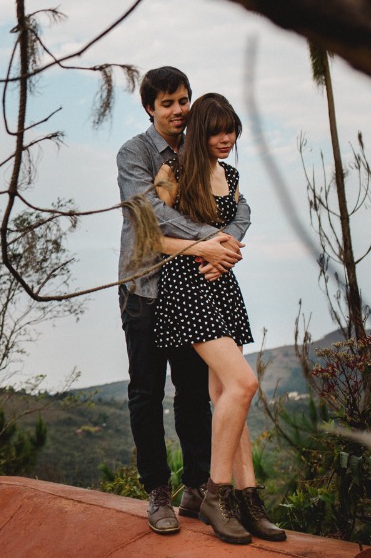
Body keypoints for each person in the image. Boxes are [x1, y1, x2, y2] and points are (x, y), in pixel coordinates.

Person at [116, 67, 248, 536]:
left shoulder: (198, 150)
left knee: (193, 393)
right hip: (143, 289)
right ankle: (157, 491)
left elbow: (235, 202)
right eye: (168, 103)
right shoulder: (135, 153)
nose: (178, 110)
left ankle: (197, 486)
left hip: (189, 290)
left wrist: (227, 241)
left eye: (183, 100)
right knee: (146, 392)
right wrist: (209, 240)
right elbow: (150, 216)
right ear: (149, 107)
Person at [150, 93, 285, 544]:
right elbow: (151, 235)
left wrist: (225, 254)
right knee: (243, 383)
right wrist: (204, 249)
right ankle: (216, 493)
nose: (226, 139)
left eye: (232, 131)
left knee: (228, 392)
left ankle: (248, 498)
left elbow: (236, 228)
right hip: (185, 286)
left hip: (222, 285)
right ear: (200, 132)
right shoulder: (173, 172)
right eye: (217, 131)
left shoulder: (230, 176)